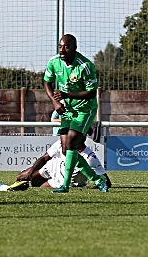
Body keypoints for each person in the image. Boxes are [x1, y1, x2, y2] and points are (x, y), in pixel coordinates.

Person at [44, 34, 108, 193]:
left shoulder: (85, 66)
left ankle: (65, 185)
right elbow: (47, 82)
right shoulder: (54, 62)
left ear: (74, 48)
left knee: (72, 141)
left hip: (85, 109)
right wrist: (55, 101)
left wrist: (66, 96)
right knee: (66, 150)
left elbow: (91, 93)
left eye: (66, 47)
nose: (62, 50)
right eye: (60, 46)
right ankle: (97, 179)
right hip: (68, 109)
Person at [15, 139, 111, 189]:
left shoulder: (90, 158)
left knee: (39, 187)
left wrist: (95, 184)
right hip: (53, 167)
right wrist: (30, 173)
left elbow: (107, 182)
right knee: (23, 178)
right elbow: (45, 158)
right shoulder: (61, 142)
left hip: (65, 182)